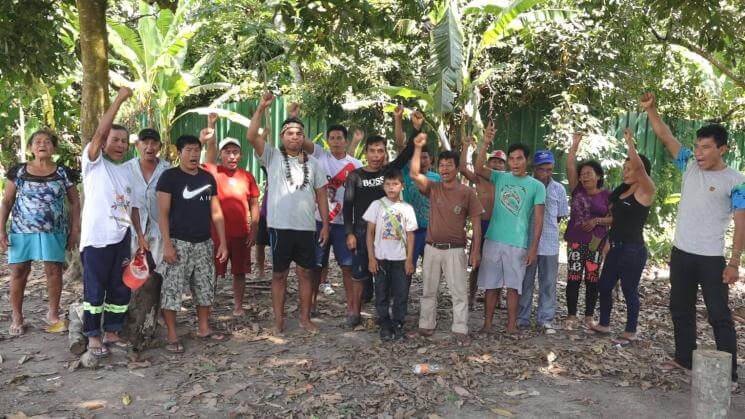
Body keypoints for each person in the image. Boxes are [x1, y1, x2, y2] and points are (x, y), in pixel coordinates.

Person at [641, 93, 745, 383]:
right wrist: (652, 109)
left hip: (712, 259)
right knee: (680, 309)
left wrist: (734, 263)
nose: (698, 152)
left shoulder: (735, 181)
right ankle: (684, 358)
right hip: (682, 253)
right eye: (697, 146)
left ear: (722, 149)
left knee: (719, 316)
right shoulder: (688, 164)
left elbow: (741, 224)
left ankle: (729, 372)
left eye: (706, 148)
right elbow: (665, 136)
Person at [246, 92, 330, 334]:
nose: (294, 137)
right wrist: (261, 108)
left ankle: (304, 319)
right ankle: (278, 321)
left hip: (306, 228)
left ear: (304, 138)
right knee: (279, 275)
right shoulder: (271, 156)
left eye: (299, 134)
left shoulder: (313, 164)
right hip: (279, 227)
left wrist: (325, 225)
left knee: (305, 274)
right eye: (289, 133)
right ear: (282, 137)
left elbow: (322, 195)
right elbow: (252, 135)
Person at [0, 130, 81, 336]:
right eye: (37, 141)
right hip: (21, 230)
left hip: (54, 230)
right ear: (30, 148)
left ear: (54, 147)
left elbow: (74, 202)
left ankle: (52, 314)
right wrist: (1, 229)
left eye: (47, 141)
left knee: (53, 271)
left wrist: (75, 229)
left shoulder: (63, 173)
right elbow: (7, 201)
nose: (42, 144)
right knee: (18, 271)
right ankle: (17, 316)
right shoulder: (18, 172)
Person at [156, 135, 229, 353]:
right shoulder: (169, 177)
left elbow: (216, 212)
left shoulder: (208, 178)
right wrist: (167, 244)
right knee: (172, 291)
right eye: (188, 150)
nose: (194, 154)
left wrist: (222, 242)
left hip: (204, 242)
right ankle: (171, 335)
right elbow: (162, 213)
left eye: (197, 150)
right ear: (179, 153)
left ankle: (204, 328)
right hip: (178, 243)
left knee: (205, 287)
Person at [78, 87, 136, 357]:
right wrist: (119, 100)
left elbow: (131, 207)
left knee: (119, 286)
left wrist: (140, 237)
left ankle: (112, 330)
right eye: (115, 139)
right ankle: (92, 335)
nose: (120, 145)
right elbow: (99, 133)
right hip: (97, 237)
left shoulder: (125, 172)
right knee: (95, 288)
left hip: (122, 237)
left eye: (124, 141)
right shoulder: (93, 164)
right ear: (103, 143)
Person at [410, 133, 483, 345]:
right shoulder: (434, 188)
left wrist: (475, 252)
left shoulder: (467, 192)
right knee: (428, 291)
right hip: (432, 248)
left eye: (448, 165)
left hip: (455, 250)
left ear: (456, 167)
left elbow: (477, 225)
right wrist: (417, 147)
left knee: (459, 292)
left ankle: (460, 329)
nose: (444, 169)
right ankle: (426, 326)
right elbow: (415, 173)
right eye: (441, 165)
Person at [474, 123, 545, 336]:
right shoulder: (501, 177)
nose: (515, 163)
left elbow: (539, 220)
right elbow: (478, 169)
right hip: (494, 238)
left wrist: (533, 248)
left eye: (519, 158)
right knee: (491, 285)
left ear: (527, 160)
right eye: (511, 158)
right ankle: (487, 324)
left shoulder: (536, 186)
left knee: (514, 287)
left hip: (518, 243)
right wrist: (485, 143)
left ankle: (511, 325)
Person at [590, 128, 655, 346]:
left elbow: (640, 169)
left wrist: (630, 143)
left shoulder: (646, 191)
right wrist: (607, 241)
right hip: (615, 247)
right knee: (605, 286)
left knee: (629, 290)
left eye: (631, 169)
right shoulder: (621, 192)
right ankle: (605, 324)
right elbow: (616, 221)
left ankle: (630, 330)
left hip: (633, 250)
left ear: (641, 171)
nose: (626, 172)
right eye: (624, 168)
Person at [343, 134, 414, 328]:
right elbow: (347, 207)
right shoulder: (355, 176)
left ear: (385, 153)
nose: (376, 155)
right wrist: (349, 233)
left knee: (386, 276)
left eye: (380, 151)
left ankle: (385, 314)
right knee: (359, 276)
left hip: (388, 236)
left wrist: (415, 130)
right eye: (372, 151)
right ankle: (354, 312)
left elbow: (406, 154)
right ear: (365, 153)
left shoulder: (388, 172)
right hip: (361, 233)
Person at [299, 122, 362, 313]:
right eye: (332, 138)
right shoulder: (320, 156)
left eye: (339, 138)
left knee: (347, 267)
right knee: (316, 266)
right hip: (319, 221)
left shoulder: (356, 165)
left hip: (345, 224)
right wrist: (294, 118)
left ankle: (352, 308)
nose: (336, 142)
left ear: (346, 141)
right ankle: (311, 305)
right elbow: (304, 141)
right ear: (327, 141)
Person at [201, 113, 260, 317]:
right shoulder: (213, 173)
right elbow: (209, 150)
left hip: (241, 234)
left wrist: (254, 230)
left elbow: (254, 204)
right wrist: (211, 125)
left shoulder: (247, 176)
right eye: (228, 152)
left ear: (241, 155)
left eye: (236, 152)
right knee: (212, 272)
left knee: (240, 272)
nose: (232, 156)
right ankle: (208, 306)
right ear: (221, 155)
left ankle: (238, 306)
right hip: (217, 235)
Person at [563, 133, 611, 330]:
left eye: (589, 173)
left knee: (592, 278)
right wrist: (574, 146)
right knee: (573, 277)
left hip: (596, 242)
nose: (584, 176)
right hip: (576, 241)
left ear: (598, 175)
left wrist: (597, 221)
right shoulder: (577, 190)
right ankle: (572, 315)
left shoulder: (607, 195)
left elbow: (614, 219)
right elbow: (569, 167)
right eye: (582, 174)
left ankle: (589, 316)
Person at [518, 150, 569, 334]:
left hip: (549, 244)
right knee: (525, 282)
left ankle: (545, 319)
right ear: (535, 169)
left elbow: (559, 217)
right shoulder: (526, 186)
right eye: (543, 170)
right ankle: (522, 318)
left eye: (550, 170)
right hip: (527, 243)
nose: (547, 173)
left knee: (548, 283)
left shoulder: (559, 189)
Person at [363, 169, 417, 340]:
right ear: (383, 186)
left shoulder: (407, 208)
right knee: (381, 291)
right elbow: (369, 233)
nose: (391, 188)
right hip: (381, 258)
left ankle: (398, 323)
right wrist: (371, 257)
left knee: (401, 293)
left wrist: (409, 259)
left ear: (402, 186)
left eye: (395, 184)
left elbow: (410, 235)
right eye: (388, 184)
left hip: (400, 259)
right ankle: (385, 323)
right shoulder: (377, 205)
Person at [459, 136, 506, 308]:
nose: (497, 165)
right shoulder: (479, 179)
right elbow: (463, 168)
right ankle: (471, 297)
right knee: (476, 264)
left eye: (501, 162)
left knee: (499, 264)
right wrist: (465, 147)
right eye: (493, 161)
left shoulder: (507, 181)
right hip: (483, 226)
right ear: (488, 164)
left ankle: (498, 298)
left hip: (501, 228)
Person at [393, 106, 439, 271]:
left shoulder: (438, 179)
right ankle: (401, 296)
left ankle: (430, 296)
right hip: (410, 229)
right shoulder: (406, 172)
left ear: (431, 159)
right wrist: (398, 119)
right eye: (418, 157)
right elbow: (400, 145)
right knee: (406, 267)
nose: (422, 160)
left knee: (431, 269)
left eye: (425, 157)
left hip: (431, 231)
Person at [128, 128, 171, 284]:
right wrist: (139, 234)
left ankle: (159, 308)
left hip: (160, 234)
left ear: (160, 146)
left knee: (161, 277)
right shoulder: (127, 169)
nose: (149, 147)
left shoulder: (168, 170)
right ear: (137, 145)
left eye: (154, 143)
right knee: (132, 277)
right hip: (132, 233)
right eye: (145, 143)